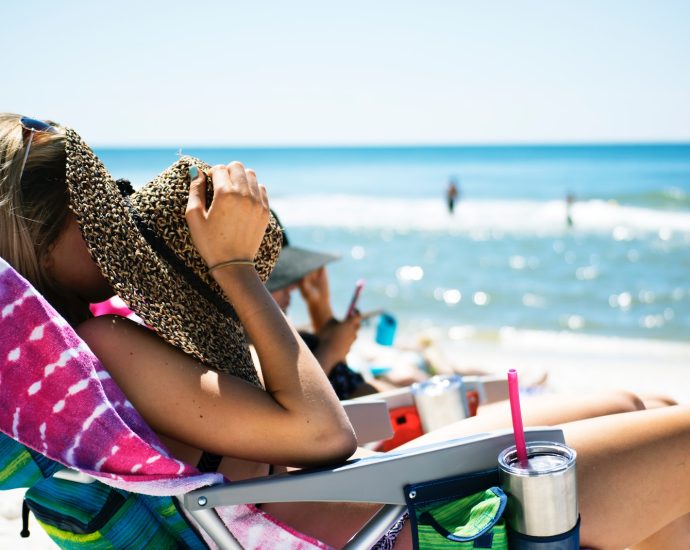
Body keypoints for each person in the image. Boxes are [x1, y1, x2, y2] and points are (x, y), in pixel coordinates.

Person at [2, 113, 690, 549]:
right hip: (382, 525)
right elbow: (320, 436)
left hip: (358, 494)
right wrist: (236, 269)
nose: (109, 209)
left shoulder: (83, 359)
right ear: (32, 238)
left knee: (642, 406)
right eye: (82, 205)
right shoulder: (100, 347)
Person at [266, 212, 396, 399]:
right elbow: (295, 400)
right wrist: (332, 349)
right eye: (278, 278)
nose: (293, 286)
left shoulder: (281, 338)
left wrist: (320, 306)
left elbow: (335, 375)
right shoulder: (251, 353)